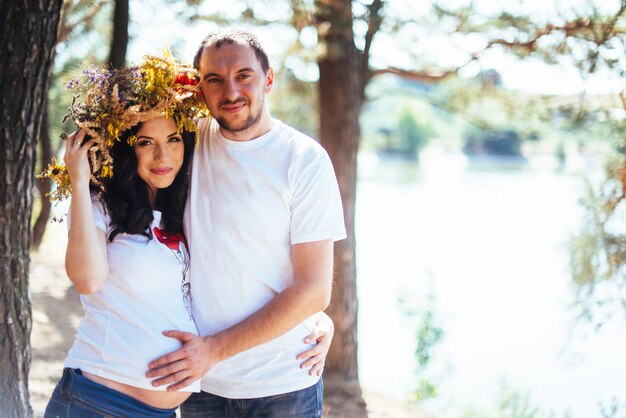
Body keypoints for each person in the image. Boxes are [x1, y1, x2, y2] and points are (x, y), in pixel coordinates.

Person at [41, 52, 333, 418]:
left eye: (174, 139)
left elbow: (287, 279)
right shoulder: (103, 205)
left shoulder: (177, 209)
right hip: (102, 400)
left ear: (269, 79)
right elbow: (87, 279)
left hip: (229, 394)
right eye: (145, 142)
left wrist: (313, 317)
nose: (162, 153)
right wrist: (80, 182)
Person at [146, 29, 347, 418]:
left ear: (268, 78)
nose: (230, 91)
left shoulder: (304, 160)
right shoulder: (183, 146)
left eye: (244, 75)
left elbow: (313, 290)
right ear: (197, 88)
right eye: (214, 79)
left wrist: (212, 351)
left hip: (285, 382)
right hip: (203, 384)